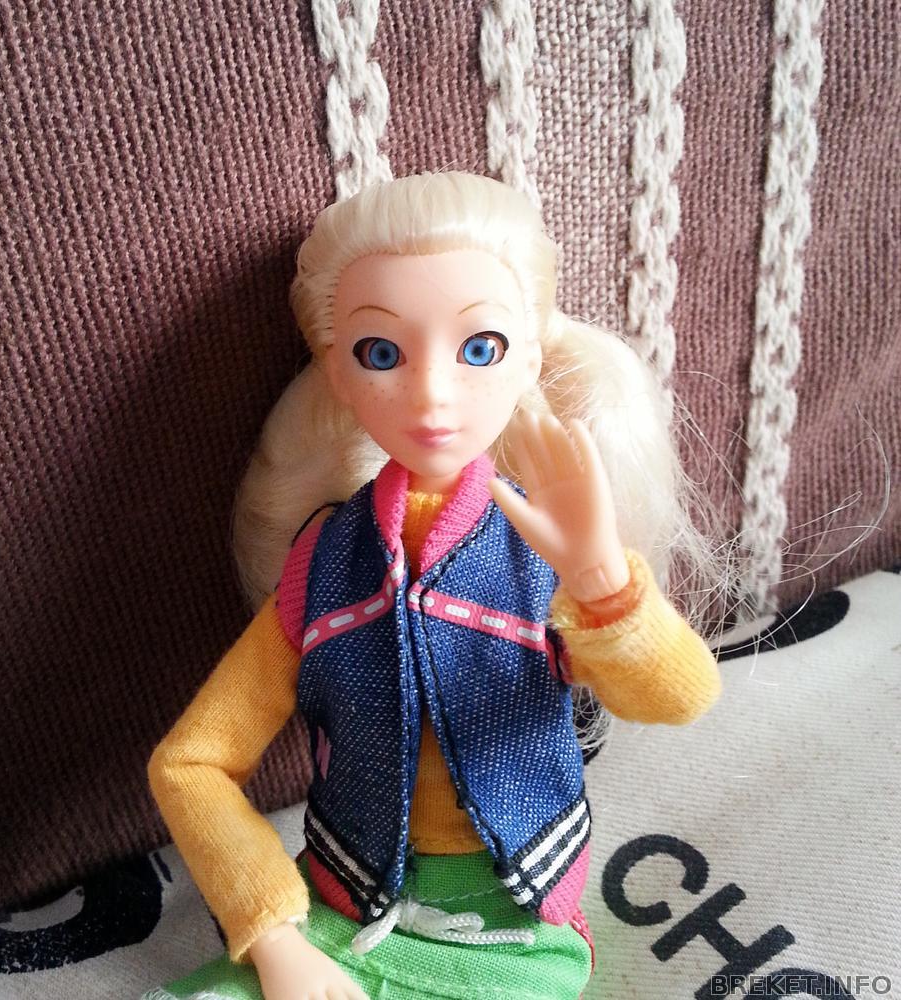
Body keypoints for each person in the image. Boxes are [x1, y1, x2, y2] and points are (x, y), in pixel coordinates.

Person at [145, 172, 722, 1000]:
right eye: (381, 354)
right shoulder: (325, 567)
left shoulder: (544, 560)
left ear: (531, 358)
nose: (432, 394)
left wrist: (601, 582)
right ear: (337, 373)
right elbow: (191, 764)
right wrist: (273, 935)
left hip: (514, 930)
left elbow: (682, 696)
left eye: (479, 348)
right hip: (336, 910)